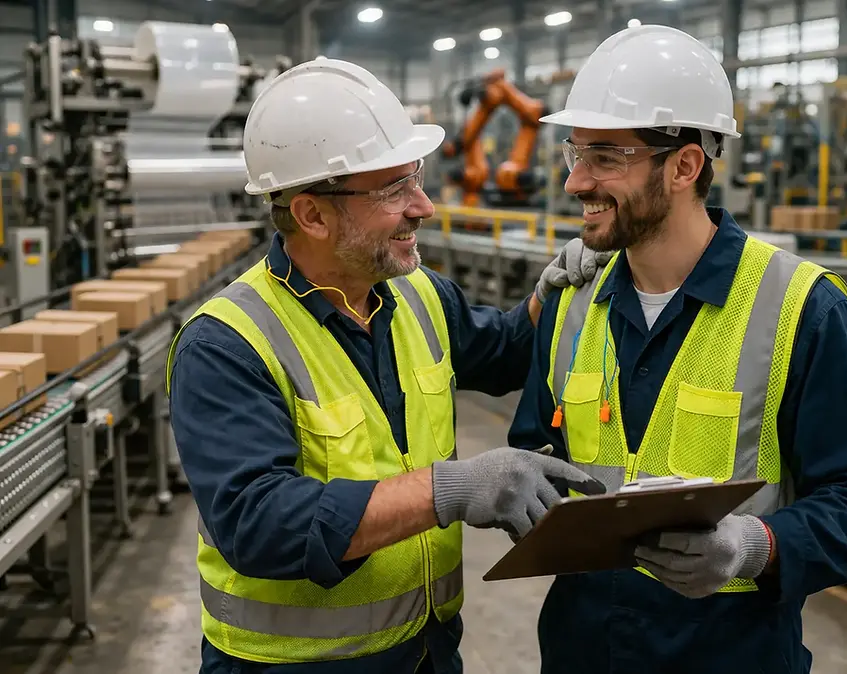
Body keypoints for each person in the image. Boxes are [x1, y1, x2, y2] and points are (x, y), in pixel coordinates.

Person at [166, 58, 607, 674]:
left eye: (415, 179)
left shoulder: (418, 294)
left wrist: (547, 294)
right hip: (296, 665)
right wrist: (450, 490)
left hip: (427, 650)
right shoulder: (227, 343)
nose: (423, 206)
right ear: (312, 215)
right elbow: (258, 524)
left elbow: (504, 353)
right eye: (393, 190)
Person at [507, 25, 847, 673]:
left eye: (605, 157)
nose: (575, 181)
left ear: (685, 166)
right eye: (575, 153)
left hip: (729, 652)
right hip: (584, 647)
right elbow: (539, 450)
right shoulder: (570, 303)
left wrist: (755, 546)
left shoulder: (802, 307)